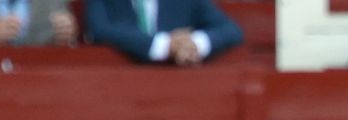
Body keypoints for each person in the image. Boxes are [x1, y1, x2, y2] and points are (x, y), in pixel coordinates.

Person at [84, 0, 240, 65]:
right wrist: (164, 45)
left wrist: (195, 43)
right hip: (117, 94)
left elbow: (231, 30)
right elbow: (99, 29)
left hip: (180, 94)